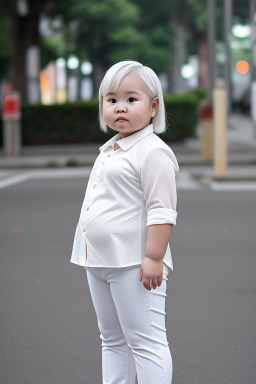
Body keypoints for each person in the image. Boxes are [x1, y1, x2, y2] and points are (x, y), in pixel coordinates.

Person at [70, 60, 179, 384]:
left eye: (132, 99)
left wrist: (153, 258)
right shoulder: (112, 148)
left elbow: (162, 210)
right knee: (112, 340)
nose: (120, 107)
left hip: (134, 262)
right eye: (112, 99)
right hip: (100, 260)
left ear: (153, 106)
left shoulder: (152, 152)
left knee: (146, 343)